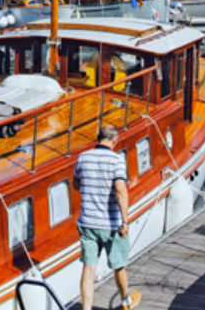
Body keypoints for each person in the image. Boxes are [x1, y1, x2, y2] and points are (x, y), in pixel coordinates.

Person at [72, 124, 140, 310]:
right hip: (110, 224)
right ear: (115, 140)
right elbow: (120, 190)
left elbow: (76, 184)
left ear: (98, 138)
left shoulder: (83, 158)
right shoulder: (116, 160)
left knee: (89, 267)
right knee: (118, 265)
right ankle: (126, 301)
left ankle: (87, 309)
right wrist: (125, 221)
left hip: (87, 222)